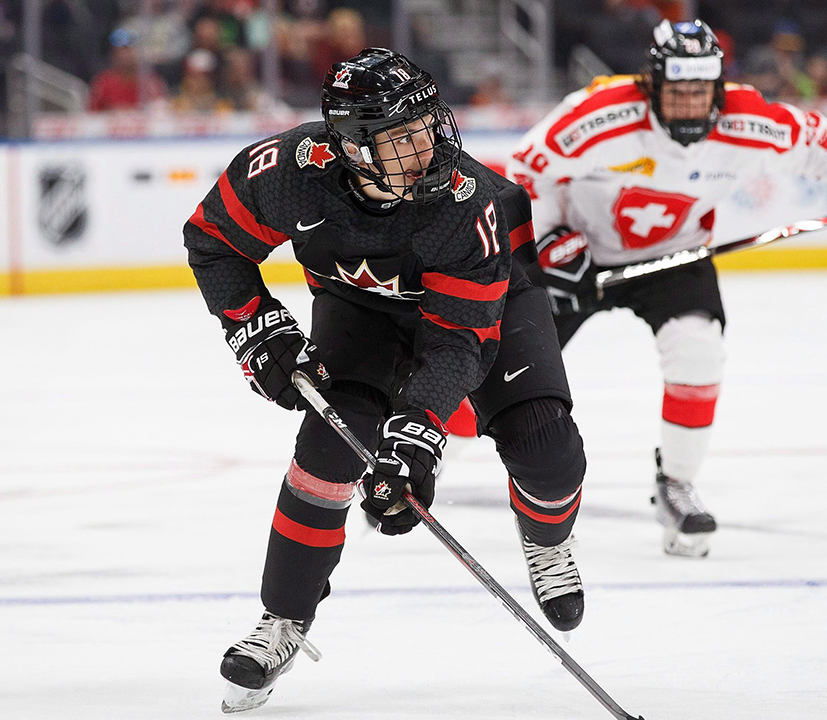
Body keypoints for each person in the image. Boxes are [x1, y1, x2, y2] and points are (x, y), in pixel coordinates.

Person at [183, 48, 588, 713]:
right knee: (326, 452)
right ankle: (285, 618)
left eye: (426, 126)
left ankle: (548, 542)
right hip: (362, 310)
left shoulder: (467, 201)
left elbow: (458, 340)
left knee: (546, 448)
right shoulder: (284, 175)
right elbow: (213, 241)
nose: (426, 147)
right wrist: (255, 328)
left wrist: (419, 431)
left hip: (489, 307)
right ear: (352, 146)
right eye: (401, 137)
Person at [504, 19, 827, 558]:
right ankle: (423, 452)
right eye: (677, 91)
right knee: (504, 363)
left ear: (718, 87)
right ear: (651, 85)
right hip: (579, 257)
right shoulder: (598, 114)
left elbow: (814, 143)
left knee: (698, 351)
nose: (689, 104)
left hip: (675, 257)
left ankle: (676, 484)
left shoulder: (746, 117)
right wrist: (546, 245)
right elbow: (522, 173)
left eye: (700, 91)